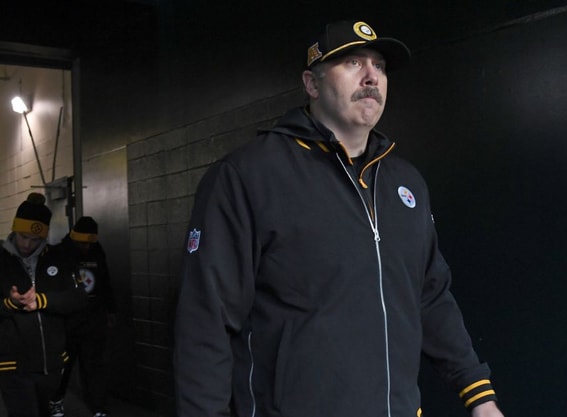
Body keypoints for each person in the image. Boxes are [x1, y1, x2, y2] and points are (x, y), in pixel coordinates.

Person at [173, 20, 505, 417]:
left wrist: (478, 394)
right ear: (311, 85)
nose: (371, 77)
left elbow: (430, 296)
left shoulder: (406, 184)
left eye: (379, 66)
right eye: (352, 62)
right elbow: (205, 322)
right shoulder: (248, 176)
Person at [0, 193, 87, 417]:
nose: (27, 244)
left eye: (34, 239)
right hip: (12, 364)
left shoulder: (60, 258)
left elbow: (77, 299)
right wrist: (10, 304)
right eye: (22, 236)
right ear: (14, 230)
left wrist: (42, 300)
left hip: (51, 365)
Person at [51, 216, 117, 417]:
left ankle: (98, 407)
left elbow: (105, 281)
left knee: (94, 366)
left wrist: (111, 310)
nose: (85, 248)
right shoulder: (59, 253)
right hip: (67, 321)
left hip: (93, 319)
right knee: (63, 366)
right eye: (82, 243)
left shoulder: (97, 251)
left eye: (89, 244)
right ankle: (56, 400)